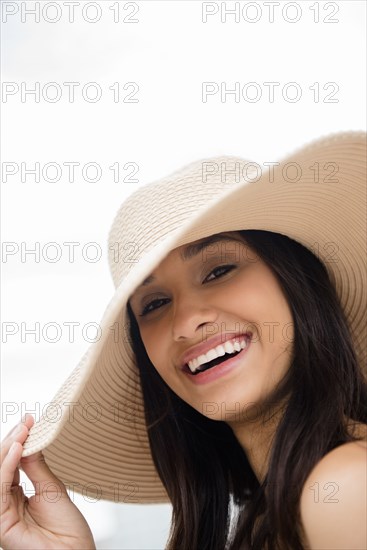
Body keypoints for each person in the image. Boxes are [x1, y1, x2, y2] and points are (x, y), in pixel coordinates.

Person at [1, 131, 366, 550]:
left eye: (218, 271)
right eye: (154, 304)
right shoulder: (275, 512)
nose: (187, 322)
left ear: (296, 282)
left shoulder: (344, 487)